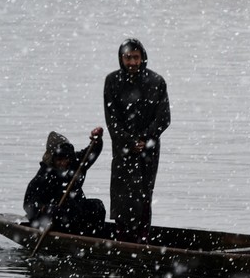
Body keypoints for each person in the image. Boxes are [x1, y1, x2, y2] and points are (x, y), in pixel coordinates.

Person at [103, 38, 171, 242]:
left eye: (135, 57)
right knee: (122, 193)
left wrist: (144, 139)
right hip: (122, 148)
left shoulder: (156, 82)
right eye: (127, 58)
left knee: (144, 193)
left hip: (148, 149)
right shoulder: (113, 81)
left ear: (142, 58)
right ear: (121, 59)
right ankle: (122, 235)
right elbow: (112, 120)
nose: (132, 62)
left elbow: (164, 118)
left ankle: (142, 237)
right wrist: (129, 142)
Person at [23, 127, 105, 236]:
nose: (64, 163)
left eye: (66, 158)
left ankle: (94, 236)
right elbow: (29, 205)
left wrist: (97, 140)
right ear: (52, 158)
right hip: (54, 220)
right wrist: (44, 209)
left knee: (97, 206)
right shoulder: (42, 177)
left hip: (75, 212)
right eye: (59, 159)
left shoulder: (75, 164)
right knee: (59, 212)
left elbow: (91, 152)